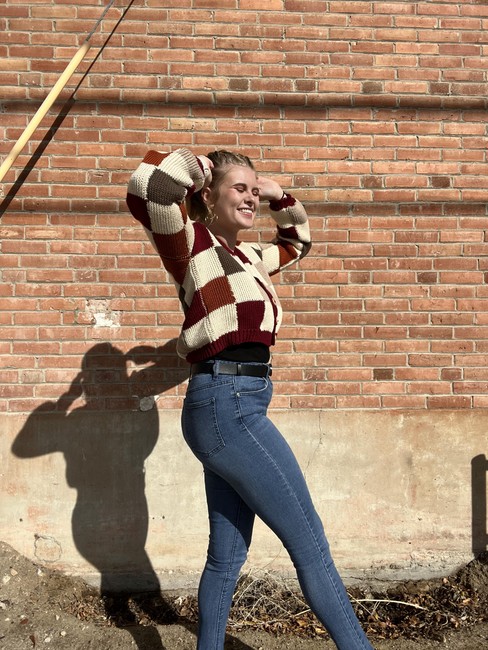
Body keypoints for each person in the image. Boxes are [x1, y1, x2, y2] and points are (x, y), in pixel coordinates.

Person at [126, 147, 373, 650]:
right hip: (228, 404)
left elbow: (297, 242)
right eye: (239, 189)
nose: (251, 198)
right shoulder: (190, 244)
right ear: (208, 197)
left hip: (237, 402)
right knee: (311, 544)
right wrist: (204, 167)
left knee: (226, 557)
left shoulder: (248, 256)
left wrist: (278, 193)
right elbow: (148, 186)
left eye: (254, 192)